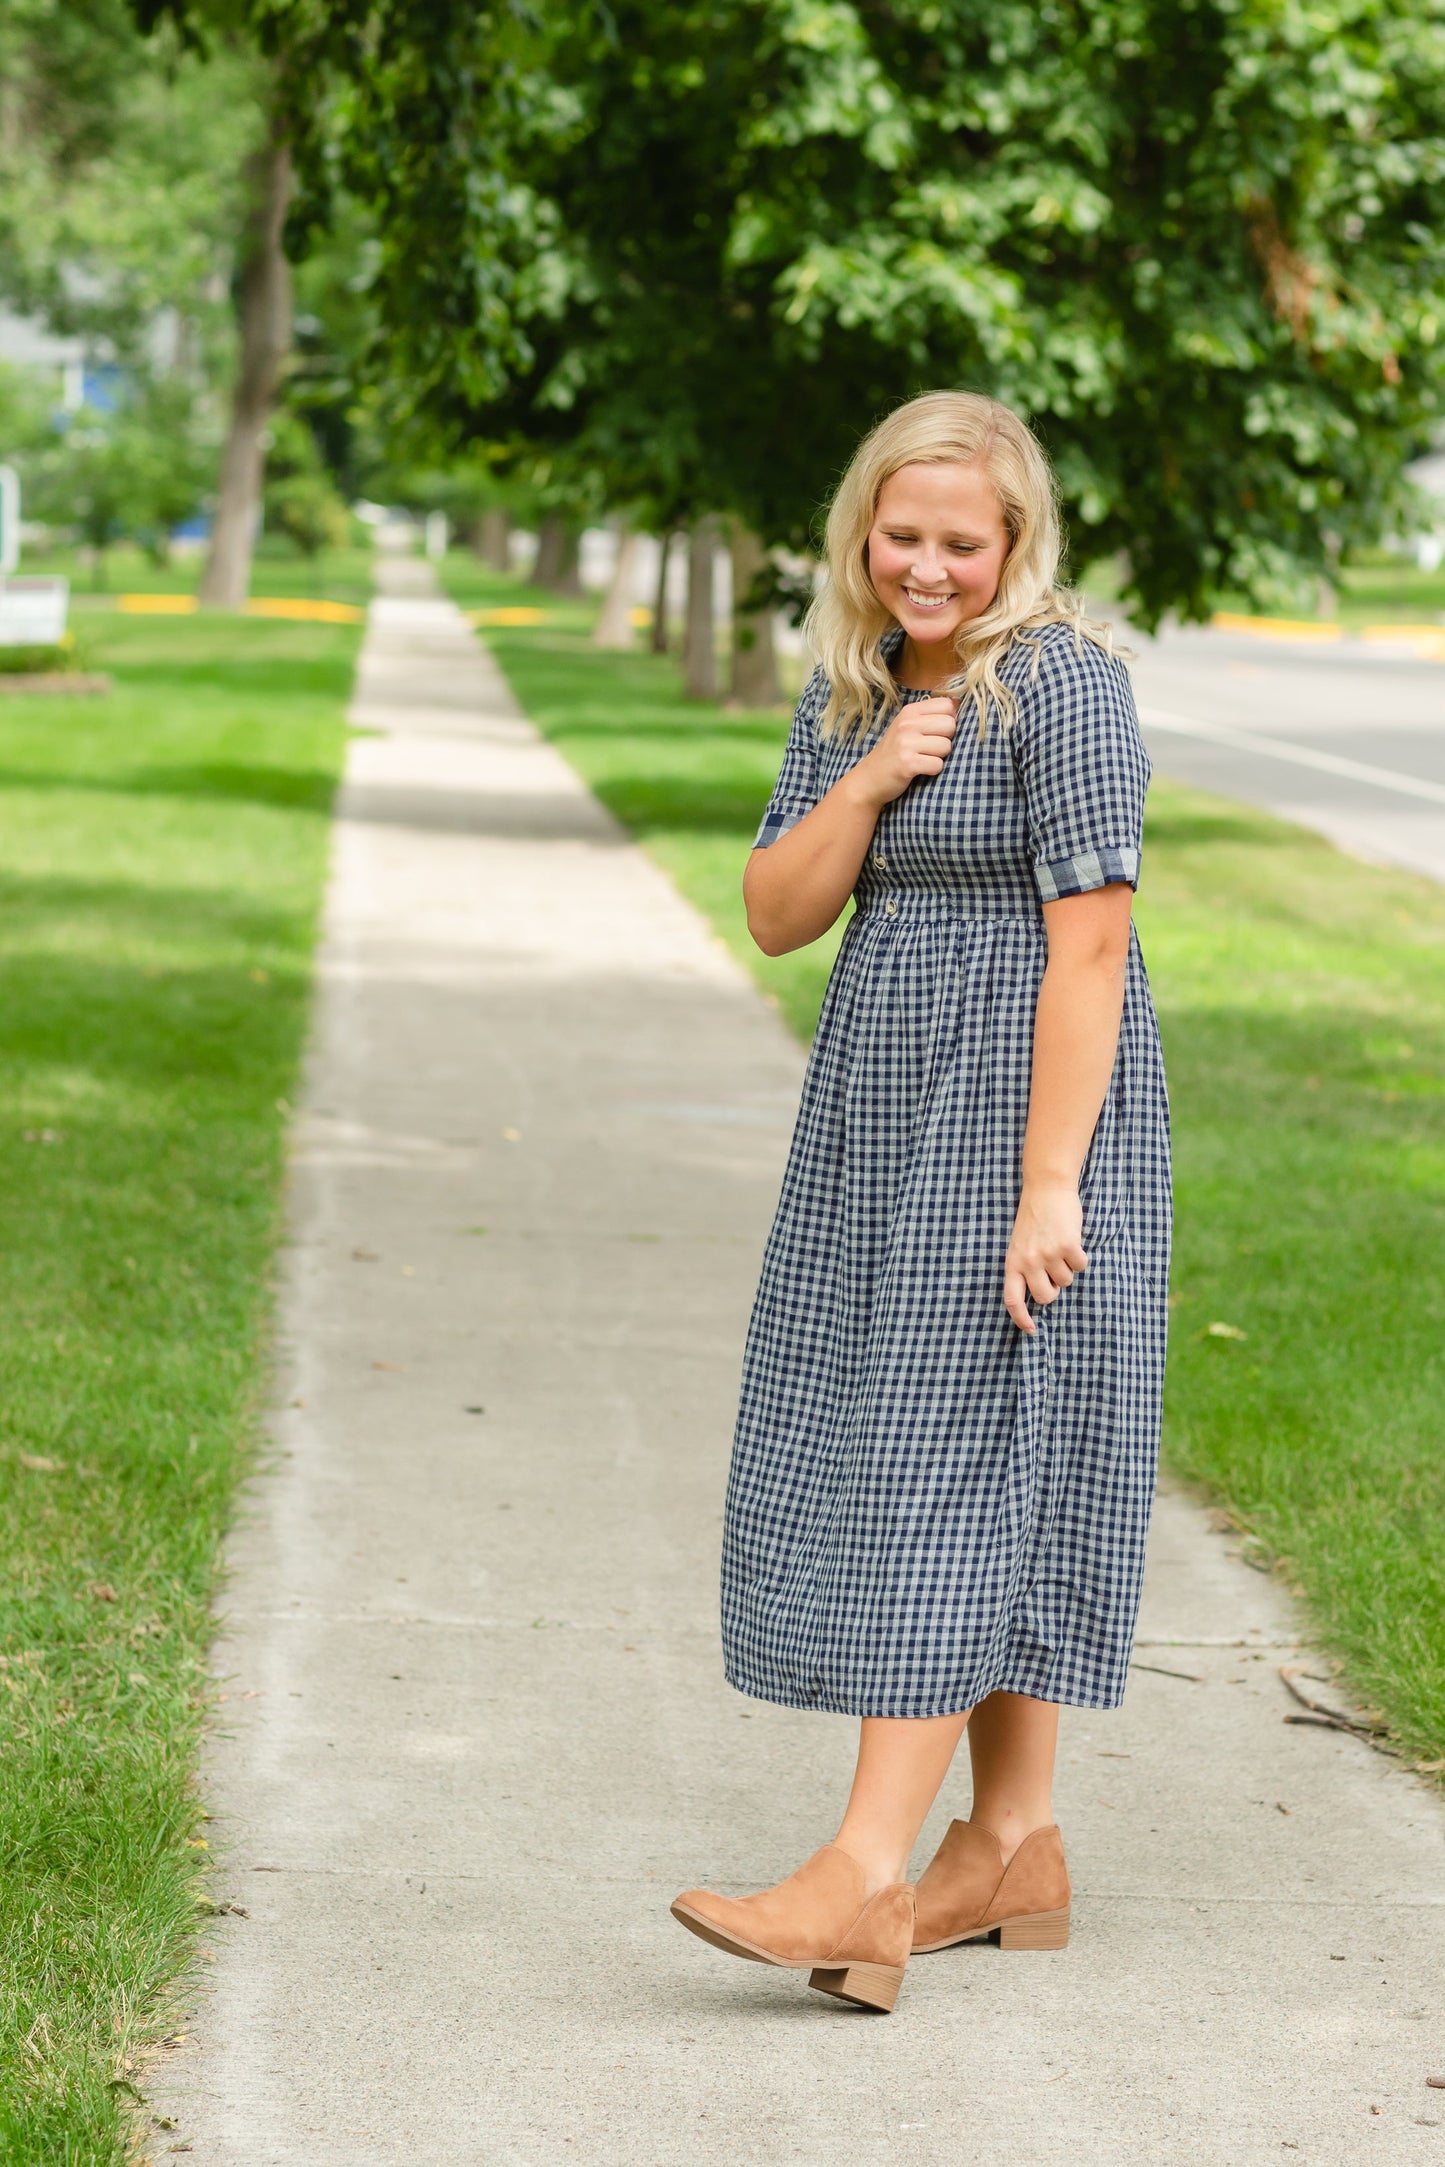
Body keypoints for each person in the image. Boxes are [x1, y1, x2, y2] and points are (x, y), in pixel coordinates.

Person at [670, 390, 1171, 2015]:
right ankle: (1009, 1844)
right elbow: (772, 911)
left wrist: (1047, 1184)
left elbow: (1088, 946)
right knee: (965, 1437)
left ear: (1017, 541)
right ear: (860, 531)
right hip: (880, 1113)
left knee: (941, 1448)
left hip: (1019, 1106)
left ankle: (861, 1877)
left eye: (964, 541)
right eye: (903, 536)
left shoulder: (1066, 690)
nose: (930, 566)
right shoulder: (851, 689)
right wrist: (875, 773)